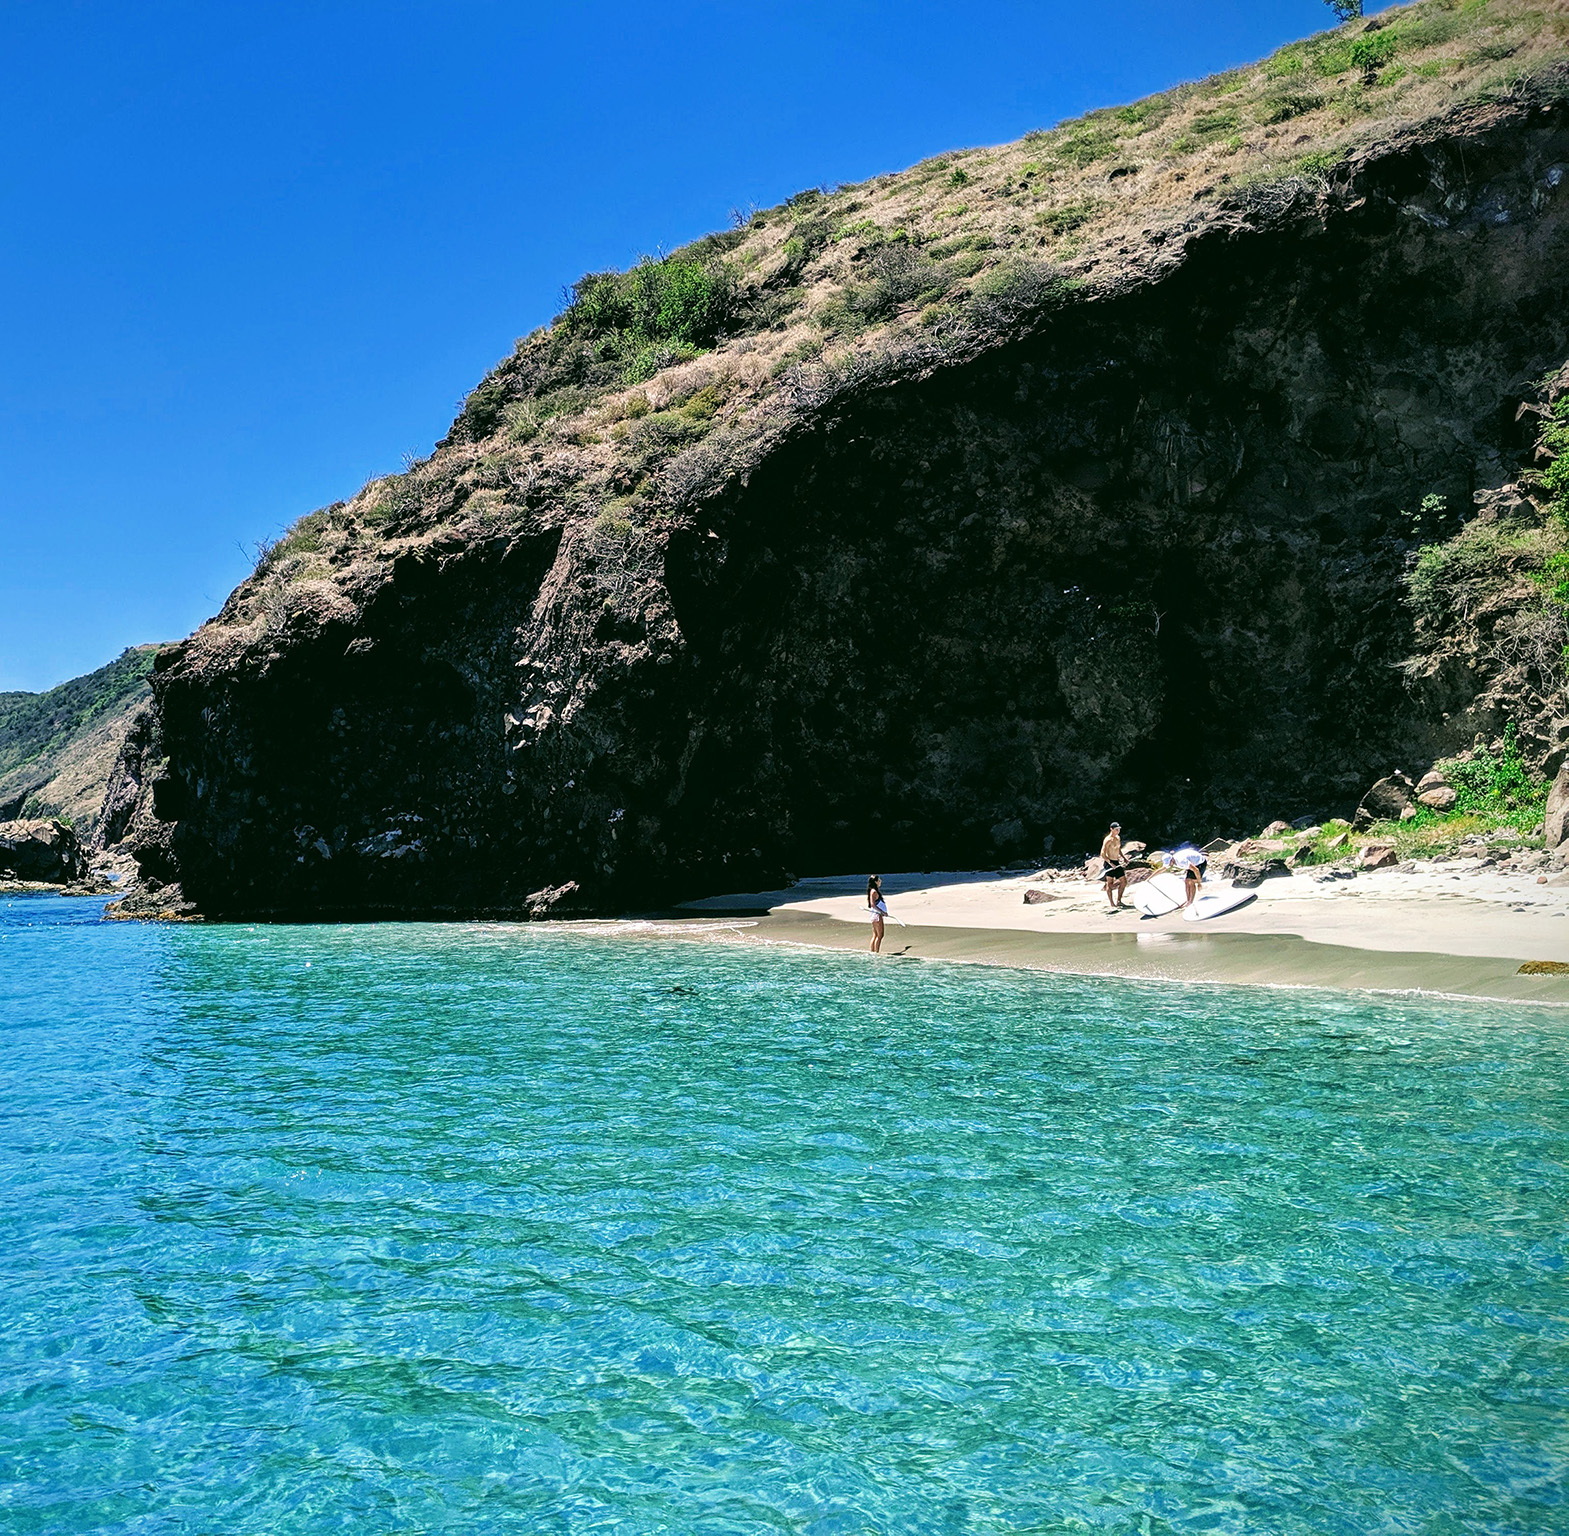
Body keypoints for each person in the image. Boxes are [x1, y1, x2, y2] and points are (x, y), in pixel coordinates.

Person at [1099, 822, 1130, 912]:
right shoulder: (1108, 839)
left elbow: (1118, 848)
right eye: (1116, 829)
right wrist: (1110, 863)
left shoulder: (1118, 838)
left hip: (1116, 861)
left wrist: (1124, 858)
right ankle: (1112, 904)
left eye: (1119, 829)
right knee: (1110, 883)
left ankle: (1119, 901)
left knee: (1123, 881)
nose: (1118, 831)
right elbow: (1102, 853)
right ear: (1111, 829)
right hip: (1109, 862)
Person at [867, 875, 888, 953]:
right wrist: (882, 912)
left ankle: (873, 952)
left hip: (875, 915)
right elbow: (873, 904)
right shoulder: (874, 891)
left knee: (875, 935)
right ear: (875, 882)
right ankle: (876, 953)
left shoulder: (873, 891)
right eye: (879, 880)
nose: (880, 881)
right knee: (880, 935)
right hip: (877, 915)